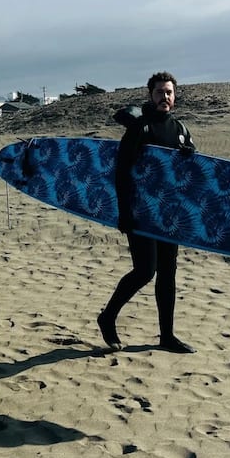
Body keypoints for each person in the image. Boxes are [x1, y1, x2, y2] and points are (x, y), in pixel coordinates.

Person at [97, 71, 197, 354]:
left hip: (169, 213)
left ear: (174, 96)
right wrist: (124, 212)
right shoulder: (140, 128)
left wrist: (190, 153)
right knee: (145, 271)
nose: (165, 97)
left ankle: (167, 336)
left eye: (169, 92)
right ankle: (108, 316)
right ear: (150, 95)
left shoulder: (181, 129)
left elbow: (188, 173)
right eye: (159, 92)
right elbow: (121, 172)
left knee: (167, 273)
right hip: (141, 211)